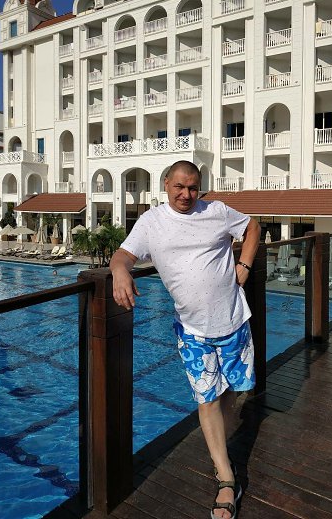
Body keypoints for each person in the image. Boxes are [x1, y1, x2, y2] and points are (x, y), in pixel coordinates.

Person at [110, 160, 260, 519]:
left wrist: (244, 265)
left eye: (193, 187)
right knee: (207, 399)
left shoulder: (217, 211)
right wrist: (118, 271)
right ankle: (226, 478)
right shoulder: (151, 222)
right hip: (192, 331)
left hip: (234, 321)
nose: (186, 194)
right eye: (179, 186)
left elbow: (253, 226)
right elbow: (124, 255)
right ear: (166, 184)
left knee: (231, 392)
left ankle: (220, 449)